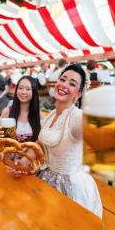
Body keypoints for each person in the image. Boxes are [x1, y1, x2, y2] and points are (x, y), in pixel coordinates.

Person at [37, 64, 102, 218]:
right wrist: (22, 163)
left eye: (72, 84)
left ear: (78, 94)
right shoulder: (51, 115)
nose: (64, 85)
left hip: (71, 189)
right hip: (46, 178)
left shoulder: (77, 116)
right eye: (63, 79)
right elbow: (40, 146)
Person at [0, 75, 41, 143]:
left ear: (34, 92)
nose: (23, 92)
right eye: (20, 88)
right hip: (8, 152)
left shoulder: (39, 115)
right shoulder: (7, 111)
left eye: (28, 89)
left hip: (30, 153)